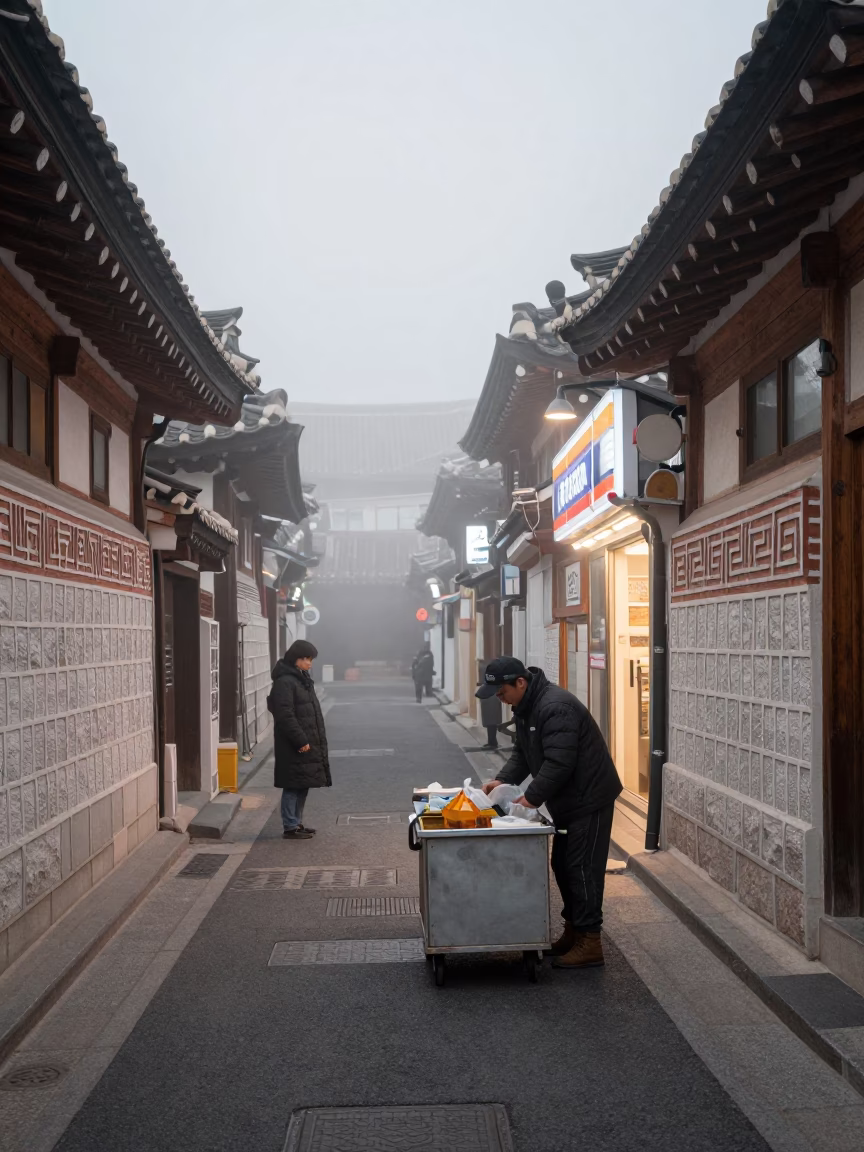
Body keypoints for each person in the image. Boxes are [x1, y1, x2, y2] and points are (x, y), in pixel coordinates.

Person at [477, 656, 622, 969]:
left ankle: (590, 940)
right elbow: (525, 754)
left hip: (589, 799)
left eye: (501, 692)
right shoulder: (528, 706)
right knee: (562, 864)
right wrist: (502, 780)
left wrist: (531, 798)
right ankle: (574, 932)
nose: (499, 699)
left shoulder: (555, 707)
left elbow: (559, 763)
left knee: (581, 868)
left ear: (520, 682)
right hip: (568, 801)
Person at [268, 639, 331, 840]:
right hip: (293, 744)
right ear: (296, 659)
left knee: (302, 784)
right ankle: (290, 825)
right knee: (293, 785)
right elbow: (285, 715)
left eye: (311, 659)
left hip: (305, 741)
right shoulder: (285, 682)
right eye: (306, 658)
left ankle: (296, 822)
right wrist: (300, 740)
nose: (310, 663)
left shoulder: (301, 678)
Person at [477, 660, 502, 751]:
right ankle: (491, 741)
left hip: (491, 700)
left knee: (491, 723)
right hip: (489, 700)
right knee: (490, 723)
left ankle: (493, 742)